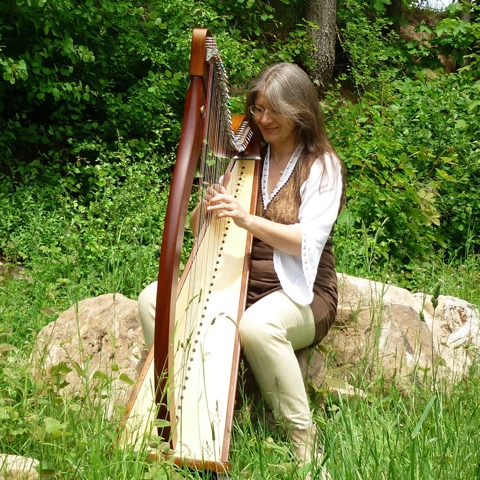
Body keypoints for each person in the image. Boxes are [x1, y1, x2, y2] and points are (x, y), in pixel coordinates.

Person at [138, 63, 345, 479]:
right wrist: (209, 202)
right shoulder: (248, 157)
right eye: (257, 109)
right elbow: (202, 231)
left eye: (273, 111)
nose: (262, 119)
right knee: (150, 300)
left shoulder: (321, 166)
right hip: (240, 282)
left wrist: (247, 219)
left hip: (301, 293)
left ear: (300, 111)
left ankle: (304, 441)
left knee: (259, 326)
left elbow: (307, 240)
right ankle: (185, 410)